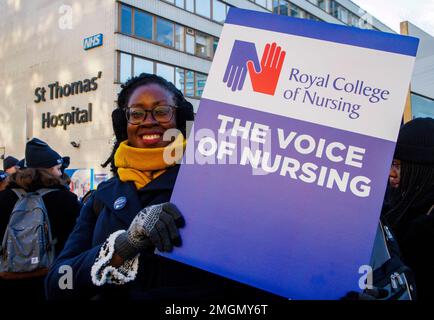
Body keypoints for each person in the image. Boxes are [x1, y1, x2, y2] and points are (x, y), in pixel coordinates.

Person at [46, 73, 285, 301]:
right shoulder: (101, 197)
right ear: (123, 123)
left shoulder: (212, 186)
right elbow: (57, 284)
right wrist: (124, 245)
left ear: (180, 119)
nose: (149, 121)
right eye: (137, 113)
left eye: (161, 112)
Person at [0, 138, 81, 300]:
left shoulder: (3, 198)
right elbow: (77, 245)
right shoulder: (67, 200)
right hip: (52, 282)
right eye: (58, 168)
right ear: (49, 170)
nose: (60, 173)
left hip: (7, 281)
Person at [381, 117, 434, 300]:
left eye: (398, 165)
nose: (390, 172)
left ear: (422, 169)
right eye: (390, 162)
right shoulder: (395, 205)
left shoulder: (426, 229)